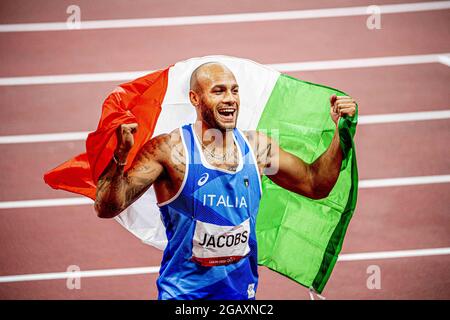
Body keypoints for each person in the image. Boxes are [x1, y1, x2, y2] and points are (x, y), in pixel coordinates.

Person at [94, 62, 357, 300]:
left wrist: (339, 132)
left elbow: (315, 183)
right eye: (218, 91)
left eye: (234, 91)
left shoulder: (257, 149)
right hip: (183, 299)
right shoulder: (170, 151)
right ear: (195, 99)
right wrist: (120, 157)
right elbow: (107, 208)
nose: (230, 99)